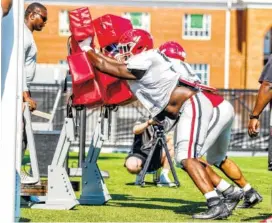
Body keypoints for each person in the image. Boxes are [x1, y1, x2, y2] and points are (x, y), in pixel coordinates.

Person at [77, 29, 247, 219]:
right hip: (186, 108)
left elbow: (108, 67)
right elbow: (118, 73)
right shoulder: (148, 61)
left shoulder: (147, 57)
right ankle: (229, 193)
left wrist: (86, 47)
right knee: (185, 158)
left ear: (140, 46)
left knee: (187, 157)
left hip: (191, 105)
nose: (124, 51)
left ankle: (216, 204)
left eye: (127, 47)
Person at [160, 41, 263, 209]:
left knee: (189, 158)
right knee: (217, 158)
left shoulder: (170, 70)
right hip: (221, 107)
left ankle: (230, 192)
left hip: (213, 110)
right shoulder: (184, 68)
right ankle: (250, 192)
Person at [21, 2, 47, 184]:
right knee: (20, 134)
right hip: (19, 91)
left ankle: (14, 169)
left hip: (23, 89)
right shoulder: (23, 35)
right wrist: (25, 96)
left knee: (23, 134)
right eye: (43, 18)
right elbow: (18, 67)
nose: (44, 23)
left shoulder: (27, 35)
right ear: (31, 15)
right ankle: (13, 170)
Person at [125, 117, 175, 187]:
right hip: (140, 154)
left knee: (172, 142)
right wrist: (149, 123)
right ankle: (140, 173)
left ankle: (164, 176)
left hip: (156, 156)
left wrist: (167, 136)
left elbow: (170, 136)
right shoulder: (143, 119)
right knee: (132, 165)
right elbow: (135, 130)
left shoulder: (165, 121)